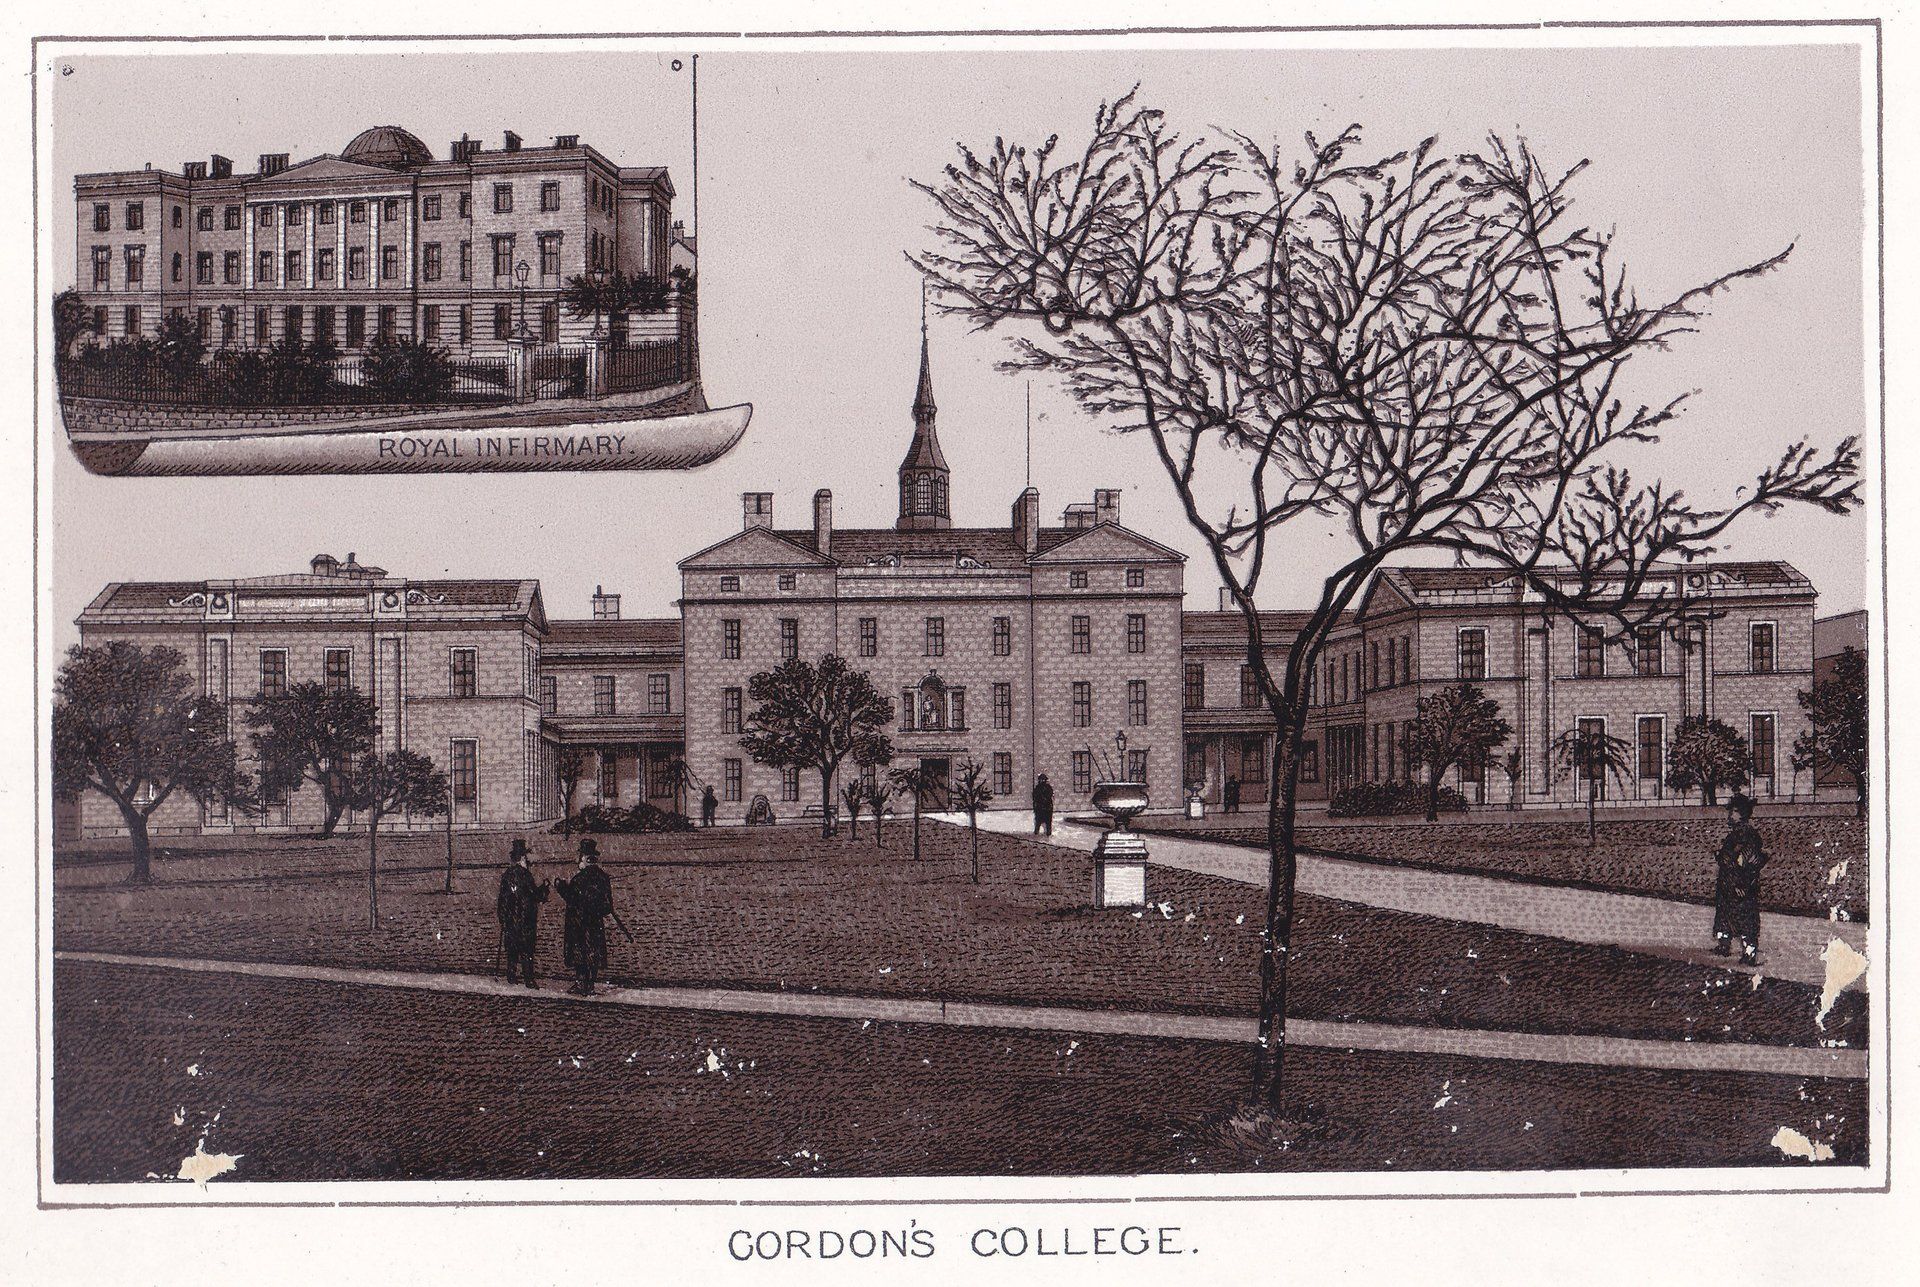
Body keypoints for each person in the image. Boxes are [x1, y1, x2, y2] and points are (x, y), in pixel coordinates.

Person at [1712, 793, 1769, 965]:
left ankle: (1749, 953)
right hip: (1729, 884)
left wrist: (1740, 882)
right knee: (1725, 915)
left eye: (1734, 811)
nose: (1730, 815)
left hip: (1740, 884)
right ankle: (1724, 945)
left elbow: (1746, 861)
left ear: (1743, 813)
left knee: (1746, 919)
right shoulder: (1735, 834)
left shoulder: (1747, 835)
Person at [554, 838, 617, 995]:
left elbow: (573, 899)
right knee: (593, 953)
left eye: (580, 856)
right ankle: (590, 985)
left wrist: (561, 887)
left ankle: (582, 984)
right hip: (595, 923)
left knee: (580, 953)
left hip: (579, 924)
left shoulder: (579, 879)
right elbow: (607, 905)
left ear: (584, 858)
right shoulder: (603, 877)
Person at [495, 838, 549, 988]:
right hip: (525, 918)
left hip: (511, 919)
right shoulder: (525, 875)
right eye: (525, 857)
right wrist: (544, 888)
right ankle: (528, 979)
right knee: (526, 950)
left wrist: (503, 918)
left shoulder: (507, 875)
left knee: (512, 949)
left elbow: (503, 899)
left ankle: (511, 975)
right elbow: (534, 895)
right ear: (522, 858)